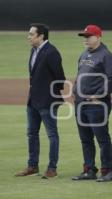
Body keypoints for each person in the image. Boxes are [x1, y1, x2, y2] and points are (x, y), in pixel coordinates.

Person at [15, 23, 66, 179]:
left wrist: (51, 98)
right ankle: (33, 166)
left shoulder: (51, 52)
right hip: (33, 100)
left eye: (31, 34)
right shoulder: (34, 50)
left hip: (47, 101)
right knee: (32, 133)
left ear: (41, 36)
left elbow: (60, 78)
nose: (28, 37)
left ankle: (52, 168)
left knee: (52, 135)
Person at [71, 25, 112, 182]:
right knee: (85, 138)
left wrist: (99, 96)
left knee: (102, 138)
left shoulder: (106, 55)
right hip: (81, 103)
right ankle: (89, 169)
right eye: (84, 36)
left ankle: (107, 171)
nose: (86, 39)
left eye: (89, 36)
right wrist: (75, 90)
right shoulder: (84, 54)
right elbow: (80, 74)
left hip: (97, 105)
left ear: (98, 37)